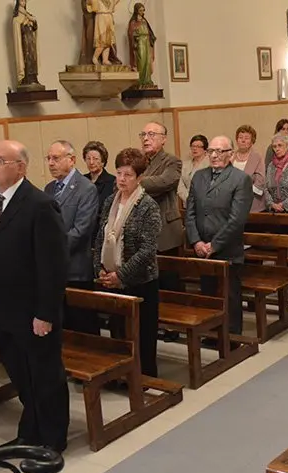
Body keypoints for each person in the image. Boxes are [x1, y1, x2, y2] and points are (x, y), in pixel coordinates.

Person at [0, 140, 69, 453]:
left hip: (32, 311)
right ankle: (30, 431)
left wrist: (46, 313)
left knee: (45, 376)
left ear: (21, 167)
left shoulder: (39, 204)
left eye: (1, 160)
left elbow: (52, 266)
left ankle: (52, 440)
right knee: (19, 374)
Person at [94, 148, 162, 377]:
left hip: (140, 282)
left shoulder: (147, 206)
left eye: (128, 175)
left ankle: (144, 378)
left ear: (140, 177)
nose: (122, 179)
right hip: (111, 280)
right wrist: (101, 270)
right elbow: (100, 237)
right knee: (118, 332)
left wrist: (121, 275)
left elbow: (147, 251)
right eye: (119, 173)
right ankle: (121, 376)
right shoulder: (110, 202)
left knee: (142, 335)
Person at [185, 136, 253, 337]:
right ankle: (211, 334)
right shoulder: (199, 176)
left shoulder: (240, 179)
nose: (214, 155)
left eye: (220, 151)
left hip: (227, 250)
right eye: (211, 151)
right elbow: (190, 212)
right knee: (208, 294)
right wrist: (196, 241)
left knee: (229, 296)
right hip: (202, 249)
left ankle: (231, 337)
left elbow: (236, 220)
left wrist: (213, 246)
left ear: (230, 154)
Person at [43, 140, 100, 335]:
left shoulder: (86, 188)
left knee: (82, 325)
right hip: (54, 270)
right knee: (61, 325)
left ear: (72, 160)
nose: (51, 163)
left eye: (56, 158)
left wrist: (52, 251)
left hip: (76, 268)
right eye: (48, 158)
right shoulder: (49, 189)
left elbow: (81, 230)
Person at [139, 122, 183, 290]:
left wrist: (136, 183)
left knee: (170, 282)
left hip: (165, 230)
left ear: (163, 139)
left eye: (151, 134)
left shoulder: (172, 161)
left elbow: (164, 182)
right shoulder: (140, 161)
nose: (146, 139)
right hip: (143, 230)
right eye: (143, 135)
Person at [231, 125, 266, 212]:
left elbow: (260, 180)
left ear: (252, 141)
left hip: (252, 203)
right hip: (231, 204)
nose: (243, 140)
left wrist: (243, 192)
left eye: (246, 138)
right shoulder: (230, 157)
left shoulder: (257, 157)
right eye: (240, 137)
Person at [83, 140, 116, 219]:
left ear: (103, 161)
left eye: (95, 159)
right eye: (88, 158)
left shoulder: (112, 181)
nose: (91, 162)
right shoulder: (82, 180)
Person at [12, 0, 41, 89]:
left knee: (33, 59)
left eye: (25, 1)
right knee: (26, 59)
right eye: (21, 0)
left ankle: (34, 78)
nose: (23, 2)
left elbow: (35, 28)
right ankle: (27, 78)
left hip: (31, 41)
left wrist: (33, 23)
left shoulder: (29, 15)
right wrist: (24, 24)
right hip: (24, 43)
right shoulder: (16, 19)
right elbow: (18, 32)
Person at [128, 2, 156, 87]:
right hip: (139, 41)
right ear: (136, 10)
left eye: (143, 10)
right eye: (140, 10)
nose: (142, 12)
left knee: (147, 61)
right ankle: (140, 80)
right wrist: (135, 38)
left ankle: (147, 80)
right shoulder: (133, 21)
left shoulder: (144, 20)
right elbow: (130, 33)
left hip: (146, 41)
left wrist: (151, 38)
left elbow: (150, 32)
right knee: (141, 60)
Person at [178, 134, 209, 205]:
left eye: (198, 146)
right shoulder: (185, 165)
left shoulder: (210, 164)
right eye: (193, 146)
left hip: (205, 204)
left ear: (205, 149)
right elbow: (180, 187)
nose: (194, 149)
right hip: (187, 204)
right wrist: (188, 199)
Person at [87, 0, 120, 65]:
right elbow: (90, 3)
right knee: (102, 38)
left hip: (109, 16)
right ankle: (95, 57)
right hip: (101, 17)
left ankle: (105, 59)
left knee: (109, 40)